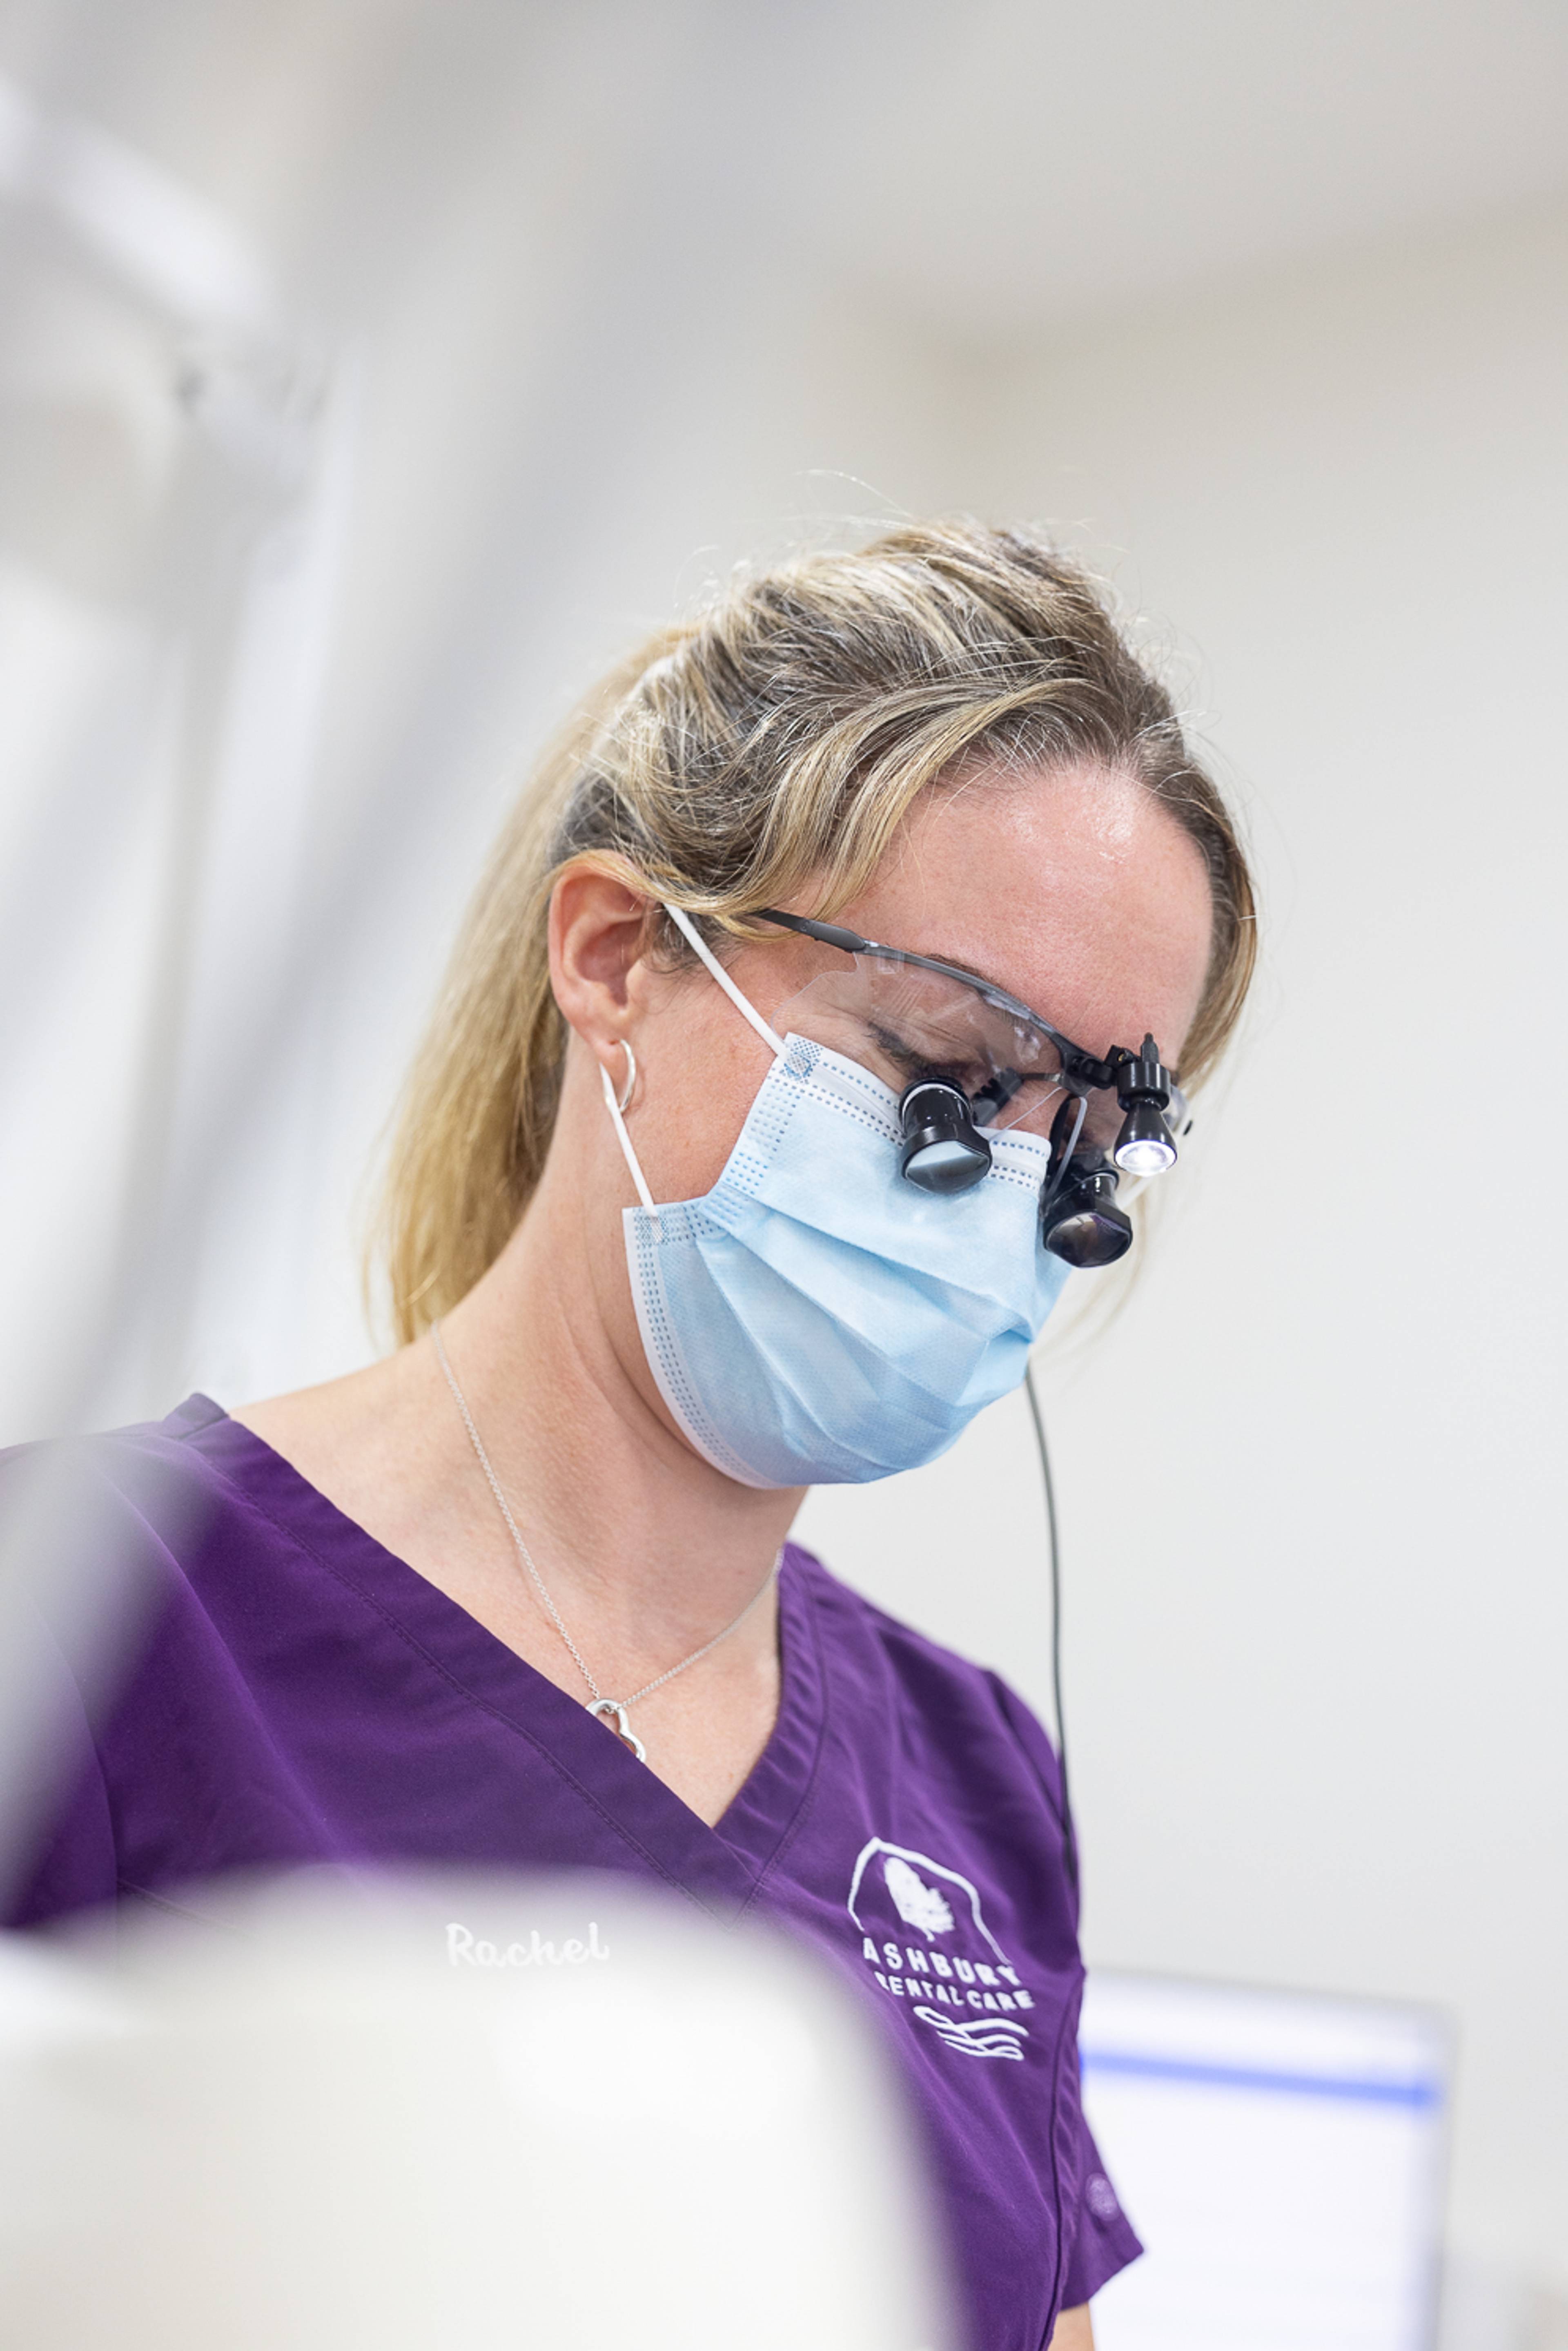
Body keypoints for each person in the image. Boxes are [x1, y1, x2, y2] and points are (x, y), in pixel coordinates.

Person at [3, 522, 1255, 2351]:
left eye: (1085, 1140)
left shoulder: (972, 1768)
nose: (1002, 1198)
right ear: (615, 958)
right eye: (943, 1076)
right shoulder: (92, 1605)